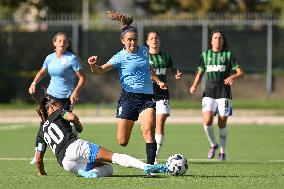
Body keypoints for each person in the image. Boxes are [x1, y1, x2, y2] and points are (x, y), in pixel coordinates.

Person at [87, 11, 167, 165]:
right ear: (122, 41)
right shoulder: (120, 56)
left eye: (135, 39)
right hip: (128, 98)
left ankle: (150, 167)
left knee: (149, 132)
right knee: (122, 141)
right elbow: (99, 71)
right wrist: (92, 65)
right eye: (129, 39)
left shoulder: (144, 51)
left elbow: (149, 69)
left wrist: (157, 81)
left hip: (146, 98)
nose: (133, 42)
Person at [35, 95, 168, 178]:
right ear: (51, 107)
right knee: (113, 157)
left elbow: (39, 160)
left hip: (66, 163)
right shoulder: (58, 112)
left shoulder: (41, 131)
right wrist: (79, 126)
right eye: (58, 105)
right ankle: (146, 167)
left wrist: (41, 173)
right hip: (75, 147)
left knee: (107, 169)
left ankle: (87, 173)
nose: (61, 106)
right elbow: (72, 117)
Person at [28, 32, 86, 164]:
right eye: (59, 41)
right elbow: (42, 72)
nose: (62, 43)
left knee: (64, 126)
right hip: (50, 97)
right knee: (44, 125)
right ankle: (38, 154)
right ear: (54, 43)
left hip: (65, 98)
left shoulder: (72, 59)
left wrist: (75, 91)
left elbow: (82, 78)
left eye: (65, 41)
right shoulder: (49, 58)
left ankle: (74, 152)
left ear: (68, 44)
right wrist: (34, 83)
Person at [189, 30, 243, 161]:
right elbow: (200, 72)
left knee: (222, 123)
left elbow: (240, 72)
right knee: (207, 121)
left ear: (223, 41)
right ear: (211, 40)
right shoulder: (205, 55)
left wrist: (233, 77)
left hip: (224, 92)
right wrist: (194, 85)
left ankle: (222, 152)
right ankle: (213, 144)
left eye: (220, 38)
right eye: (215, 38)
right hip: (209, 92)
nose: (218, 40)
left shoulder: (228, 55)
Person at [146, 31, 182, 164]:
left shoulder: (165, 56)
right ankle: (152, 152)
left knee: (160, 122)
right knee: (150, 125)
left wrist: (176, 73)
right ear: (147, 42)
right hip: (148, 94)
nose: (154, 40)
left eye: (156, 38)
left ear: (159, 41)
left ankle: (154, 157)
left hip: (163, 94)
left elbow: (172, 68)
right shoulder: (144, 56)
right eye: (151, 38)